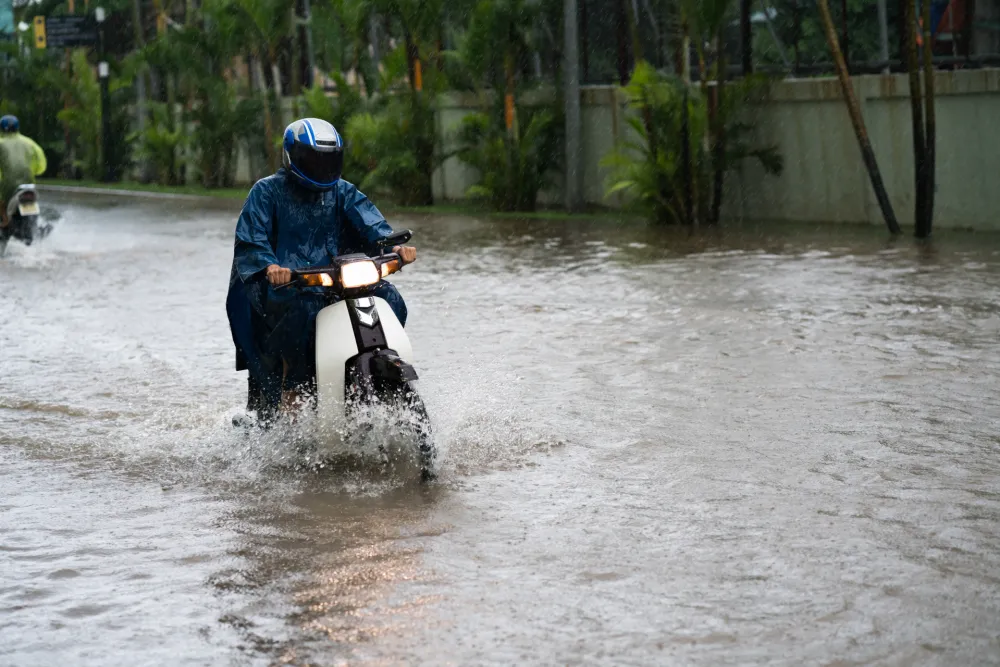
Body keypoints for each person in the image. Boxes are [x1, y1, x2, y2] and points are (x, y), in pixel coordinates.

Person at [226, 118, 417, 418]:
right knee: (303, 313)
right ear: (292, 156)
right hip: (288, 287)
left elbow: (373, 226)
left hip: (338, 281)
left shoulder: (343, 191)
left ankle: (376, 360)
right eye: (313, 159)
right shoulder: (266, 192)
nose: (321, 166)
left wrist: (393, 249)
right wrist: (271, 266)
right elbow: (252, 241)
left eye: (328, 159)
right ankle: (294, 388)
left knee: (390, 299)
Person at [0, 115, 47, 228]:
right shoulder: (30, 142)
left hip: (9, 186)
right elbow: (42, 165)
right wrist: (34, 171)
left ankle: (4, 222)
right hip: (29, 185)